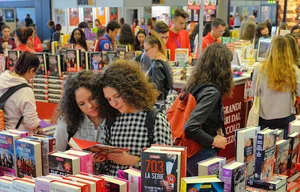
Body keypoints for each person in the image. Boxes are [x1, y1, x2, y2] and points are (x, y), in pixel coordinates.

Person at [96, 60, 172, 176]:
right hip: (112, 186)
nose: (114, 103)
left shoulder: (155, 120)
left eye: (117, 96)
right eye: (109, 99)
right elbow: (105, 164)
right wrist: (99, 158)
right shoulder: (112, 119)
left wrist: (133, 161)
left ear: (131, 90)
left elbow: (167, 164)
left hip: (141, 189)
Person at [183, 43, 233, 176]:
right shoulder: (211, 92)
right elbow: (191, 126)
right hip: (201, 153)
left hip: (190, 153)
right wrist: (213, 140)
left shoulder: (196, 84)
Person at [251, 36, 300, 136]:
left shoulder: (259, 68)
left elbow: (254, 92)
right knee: (285, 148)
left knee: (265, 149)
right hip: (286, 116)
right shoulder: (293, 70)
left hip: (265, 116)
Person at [0, 51, 40, 132]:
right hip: (17, 136)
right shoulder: (26, 91)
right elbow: (31, 123)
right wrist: (39, 123)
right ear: (31, 70)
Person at [54, 71, 109, 151]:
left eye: (92, 98)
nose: (90, 106)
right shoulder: (67, 123)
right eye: (82, 104)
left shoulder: (115, 118)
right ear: (75, 105)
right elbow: (58, 154)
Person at [144, 35, 174, 107]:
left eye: (146, 50)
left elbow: (156, 91)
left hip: (159, 104)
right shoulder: (164, 60)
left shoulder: (157, 65)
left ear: (155, 47)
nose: (145, 53)